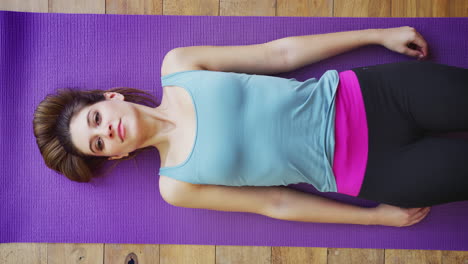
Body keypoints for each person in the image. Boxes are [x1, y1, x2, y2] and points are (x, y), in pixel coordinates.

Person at [33, 26, 468, 228]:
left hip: (375, 96)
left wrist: (377, 34)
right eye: (97, 144)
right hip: (377, 171)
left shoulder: (180, 65)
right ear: (116, 155)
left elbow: (279, 55)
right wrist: (375, 220)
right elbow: (276, 204)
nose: (105, 132)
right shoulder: (176, 186)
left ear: (110, 98)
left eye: (96, 120)